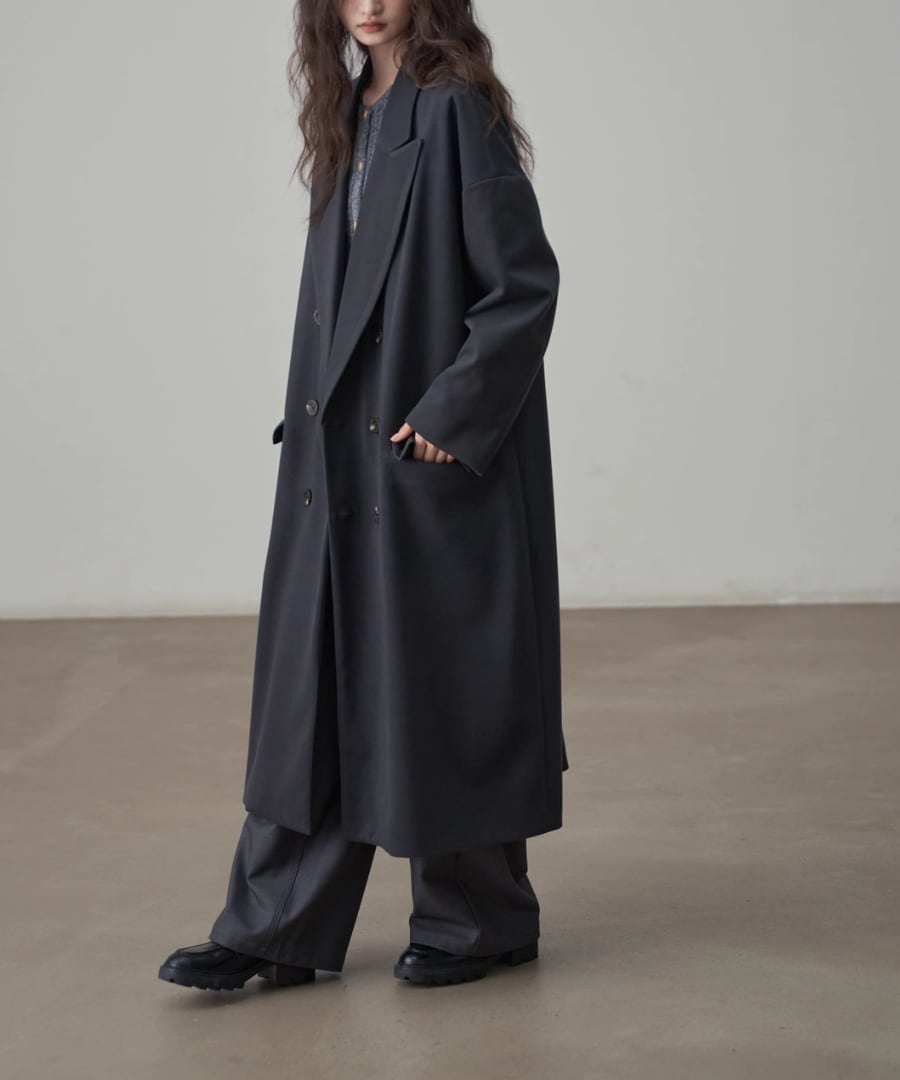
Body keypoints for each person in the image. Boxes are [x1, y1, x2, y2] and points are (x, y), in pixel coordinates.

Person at [158, 0, 568, 992]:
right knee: (315, 688)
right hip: (338, 456)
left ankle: (479, 922)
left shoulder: (454, 106)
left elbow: (521, 284)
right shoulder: (346, 109)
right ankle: (276, 927)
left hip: (423, 448)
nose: (371, 4)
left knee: (445, 684)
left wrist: (452, 414)